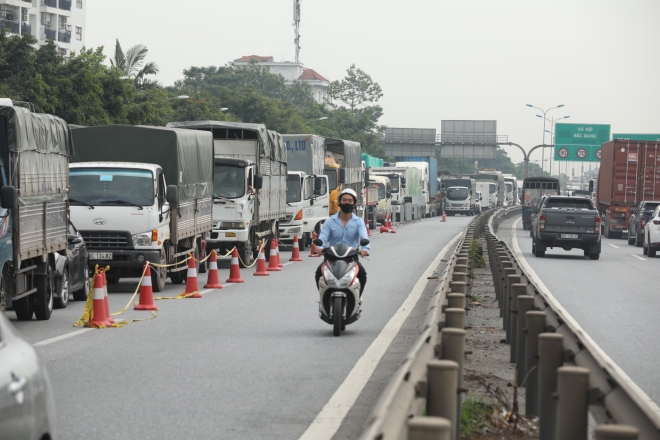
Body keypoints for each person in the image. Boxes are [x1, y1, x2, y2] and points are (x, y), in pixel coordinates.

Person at [315, 188, 370, 297]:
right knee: (318, 273)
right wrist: (320, 248)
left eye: (350, 201)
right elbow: (323, 237)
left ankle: (357, 298)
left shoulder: (358, 222)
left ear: (354, 203)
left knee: (362, 274)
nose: (347, 203)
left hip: (351, 259)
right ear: (339, 202)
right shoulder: (330, 221)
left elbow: (364, 237)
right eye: (344, 200)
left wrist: (365, 250)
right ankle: (323, 298)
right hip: (331, 258)